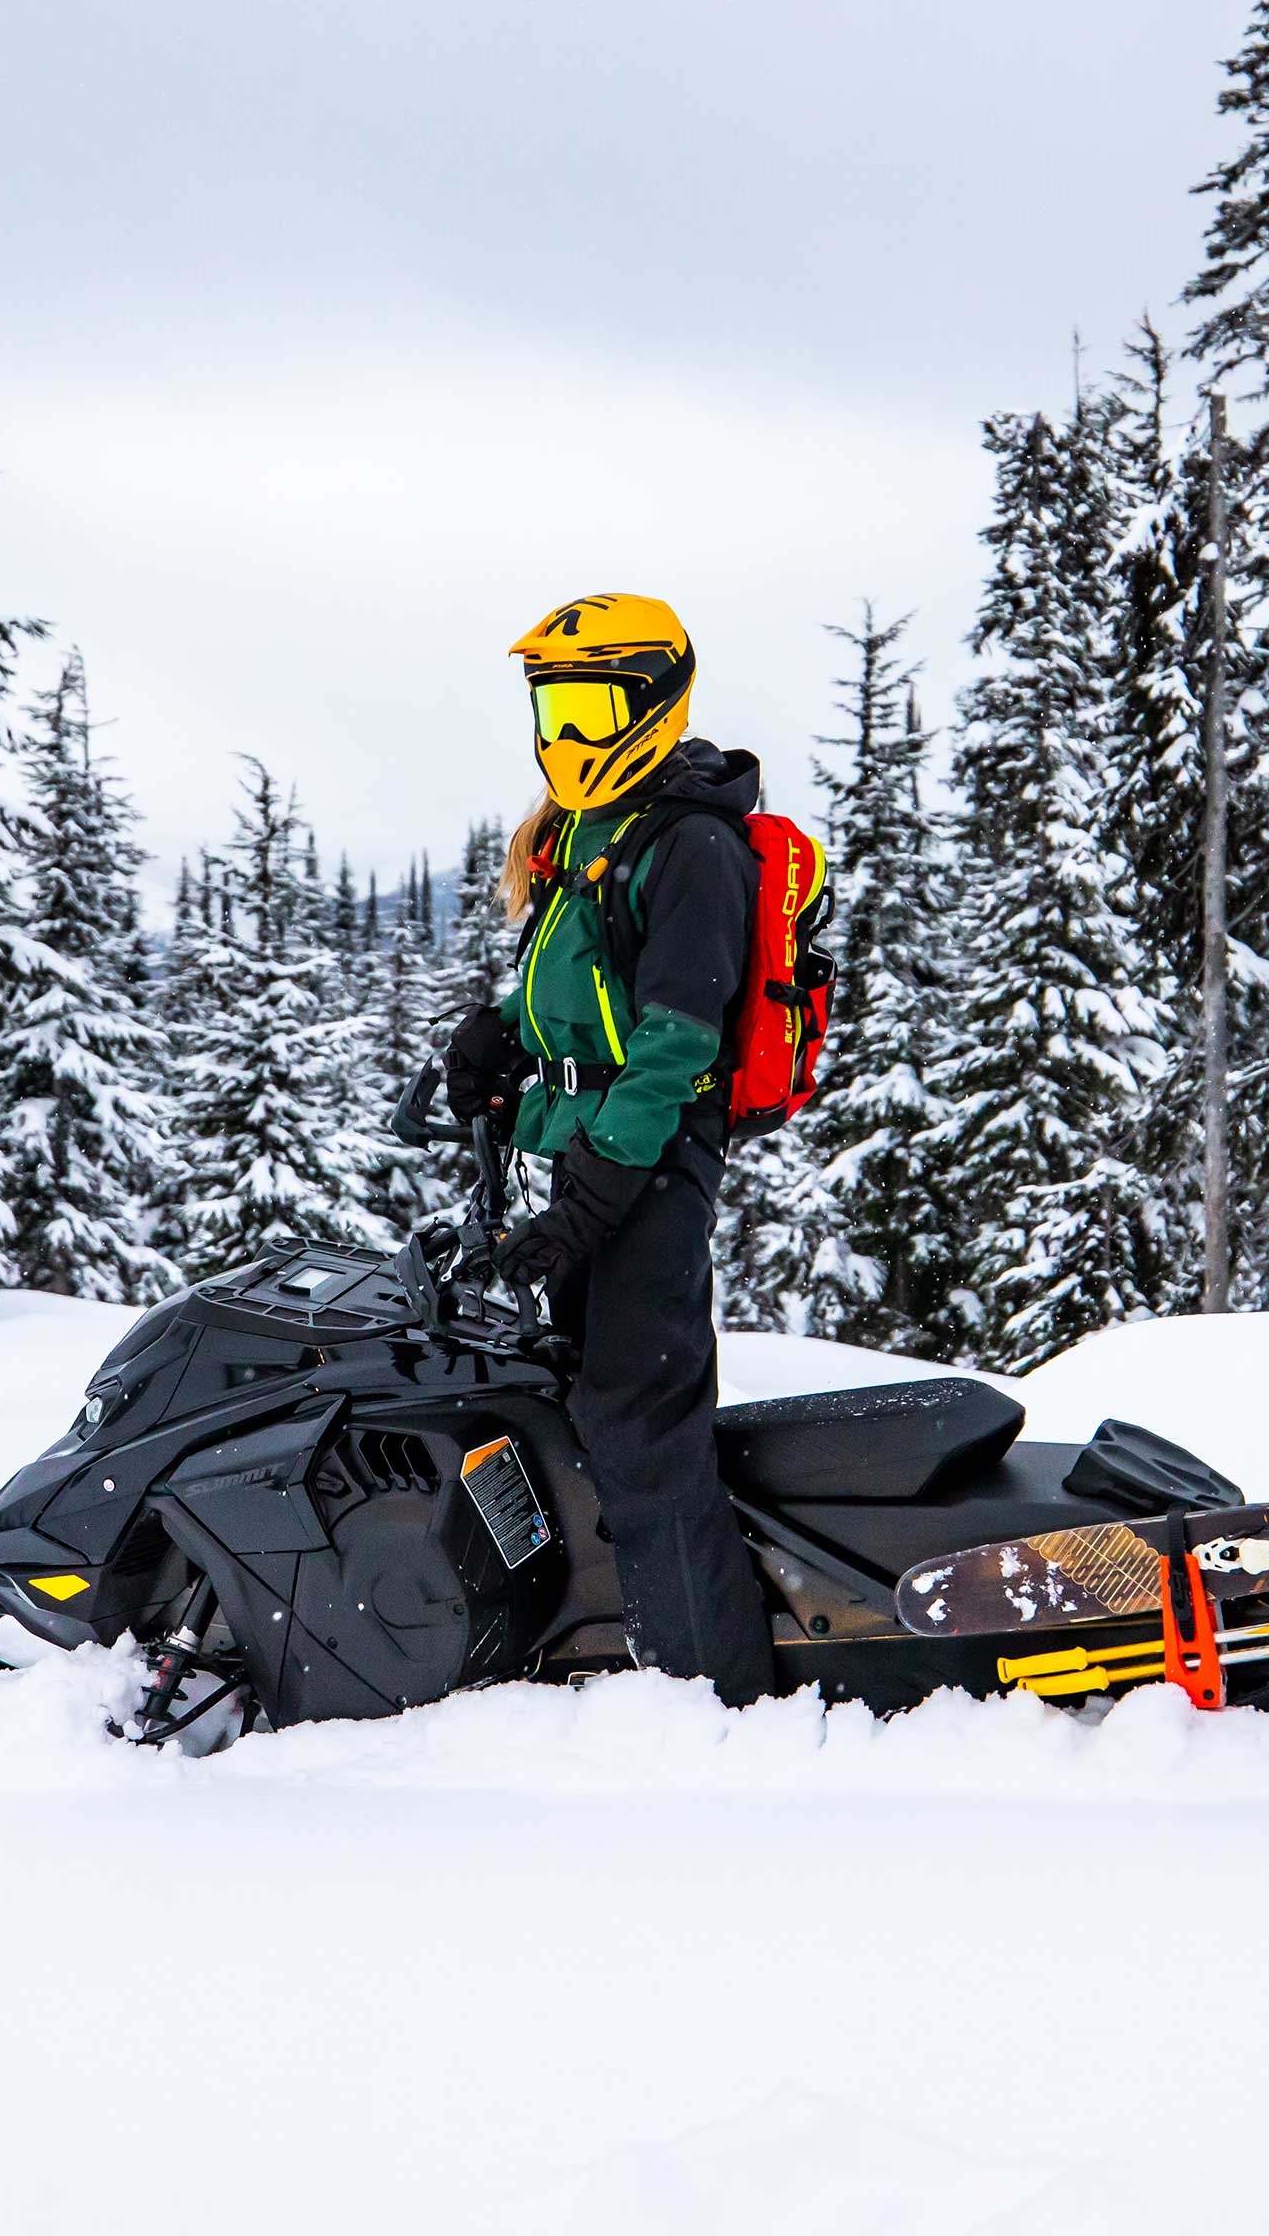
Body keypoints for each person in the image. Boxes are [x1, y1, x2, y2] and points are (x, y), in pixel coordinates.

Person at [439, 593, 776, 1705]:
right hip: (591, 1150)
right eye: (556, 707)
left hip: (652, 1158)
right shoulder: (589, 830)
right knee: (581, 1400)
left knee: (643, 1427)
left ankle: (711, 1697)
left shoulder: (691, 846)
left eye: (592, 707)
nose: (570, 736)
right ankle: (619, 1634)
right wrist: (499, 1038)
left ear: (655, 705)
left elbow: (677, 1042)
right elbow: (584, 987)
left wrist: (599, 1193)